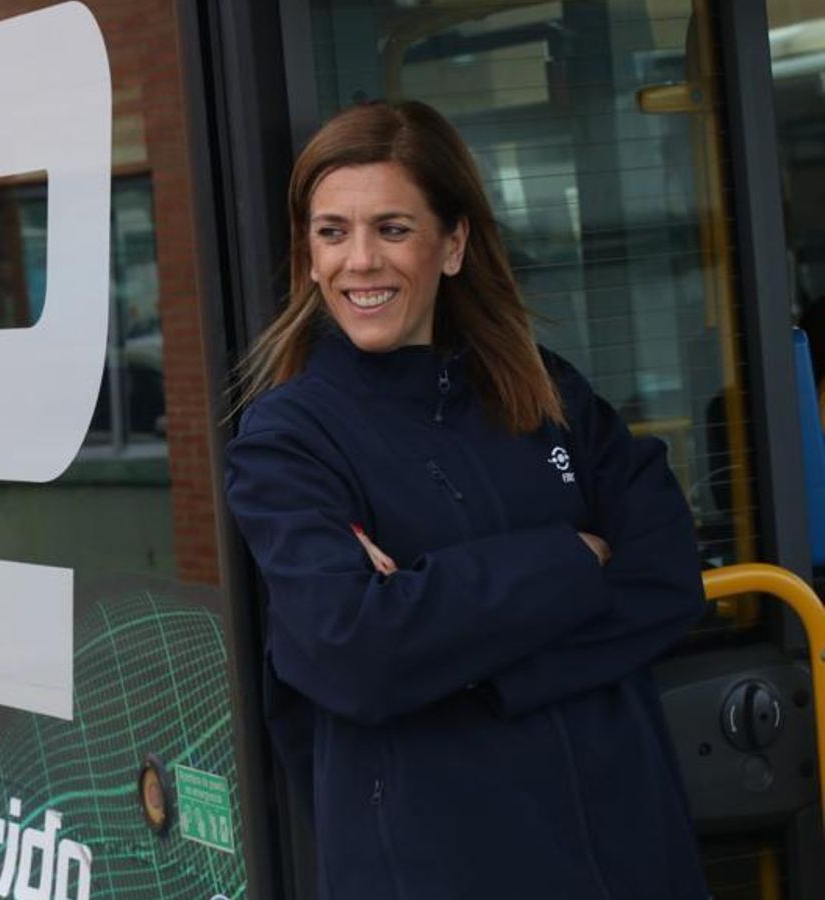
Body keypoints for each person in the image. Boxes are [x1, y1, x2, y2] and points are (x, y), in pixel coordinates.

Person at [225, 100, 709, 899]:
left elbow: (667, 574)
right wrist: (571, 560)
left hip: (627, 850)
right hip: (440, 865)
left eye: (393, 228)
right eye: (333, 232)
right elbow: (359, 653)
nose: (360, 261)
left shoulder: (544, 391)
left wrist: (463, 659)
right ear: (308, 256)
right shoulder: (289, 441)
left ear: (452, 245)